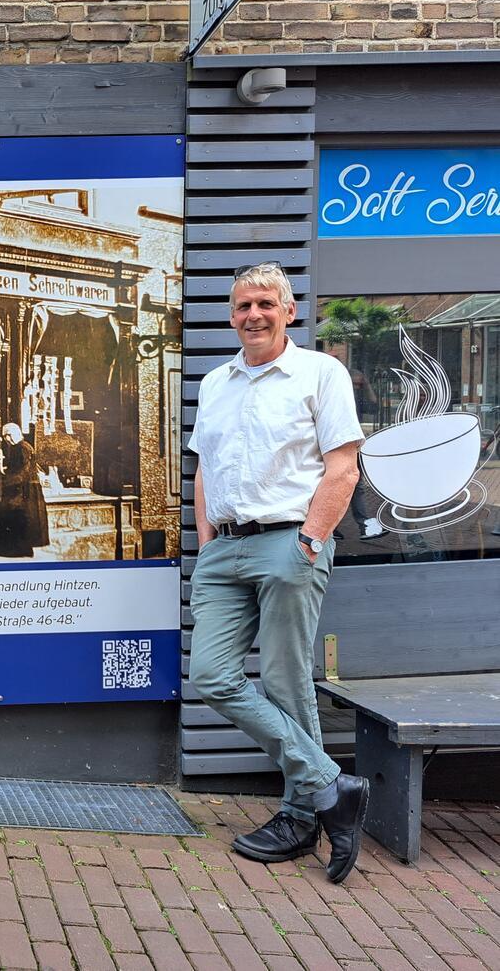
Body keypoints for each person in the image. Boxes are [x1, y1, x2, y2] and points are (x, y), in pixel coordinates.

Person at [189, 262, 368, 883]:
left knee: (287, 682)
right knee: (212, 676)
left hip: (289, 542)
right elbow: (206, 466)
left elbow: (343, 467)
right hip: (225, 551)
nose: (252, 315)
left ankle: (299, 813)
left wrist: (311, 541)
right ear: (231, 315)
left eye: (265, 303)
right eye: (242, 306)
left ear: (289, 311)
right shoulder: (217, 382)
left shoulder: (320, 373)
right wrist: (207, 536)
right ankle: (329, 786)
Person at [0, 423, 50, 557]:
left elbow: (23, 471)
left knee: (20, 516)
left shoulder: (21, 448)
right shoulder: (21, 447)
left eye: (8, 436)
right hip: (24, 487)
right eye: (5, 437)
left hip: (23, 489)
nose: (6, 440)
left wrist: (6, 481)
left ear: (13, 434)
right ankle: (20, 548)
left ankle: (20, 549)